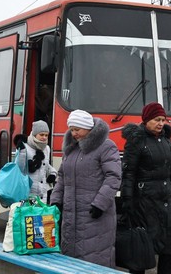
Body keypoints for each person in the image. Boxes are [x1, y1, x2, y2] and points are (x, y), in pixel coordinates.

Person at [49, 109, 122, 268]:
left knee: (94, 260)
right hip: (71, 215)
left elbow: (114, 176)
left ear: (88, 127)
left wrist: (100, 204)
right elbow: (62, 177)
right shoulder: (72, 149)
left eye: (77, 129)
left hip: (95, 215)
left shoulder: (106, 146)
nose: (73, 133)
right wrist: (55, 201)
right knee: (71, 262)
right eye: (71, 129)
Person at [120, 102, 171, 274]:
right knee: (142, 247)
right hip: (144, 202)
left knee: (169, 247)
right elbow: (129, 173)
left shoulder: (166, 141)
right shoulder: (136, 140)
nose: (161, 123)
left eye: (163, 119)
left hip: (167, 200)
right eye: (157, 119)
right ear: (146, 119)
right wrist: (127, 200)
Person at [16, 120, 57, 201]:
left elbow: (45, 164)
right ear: (34, 134)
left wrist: (53, 173)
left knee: (41, 213)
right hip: (27, 193)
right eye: (41, 135)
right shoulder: (24, 147)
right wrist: (22, 152)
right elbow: (19, 168)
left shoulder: (47, 148)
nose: (44, 137)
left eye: (46, 135)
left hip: (42, 194)